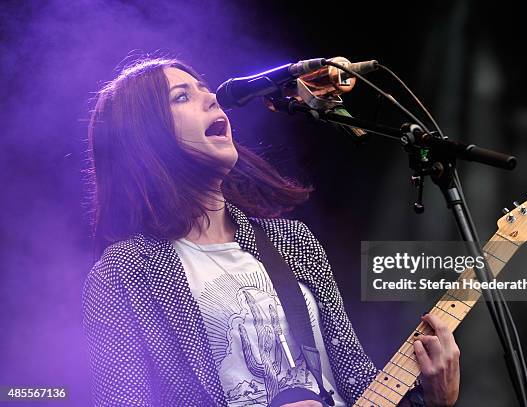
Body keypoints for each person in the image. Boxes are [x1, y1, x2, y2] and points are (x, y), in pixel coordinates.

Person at [82, 57, 460, 407]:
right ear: (145, 139)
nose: (212, 98)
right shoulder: (125, 271)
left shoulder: (292, 240)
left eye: (204, 88)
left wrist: (431, 398)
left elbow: (356, 382)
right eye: (182, 96)